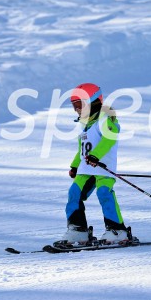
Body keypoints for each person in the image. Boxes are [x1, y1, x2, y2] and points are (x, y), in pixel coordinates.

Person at [61, 82, 128, 245]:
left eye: (80, 105)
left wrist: (96, 156)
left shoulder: (106, 119)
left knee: (104, 193)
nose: (77, 109)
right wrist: (75, 165)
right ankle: (78, 231)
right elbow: (82, 150)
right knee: (74, 193)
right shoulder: (85, 126)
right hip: (85, 170)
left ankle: (117, 230)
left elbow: (109, 139)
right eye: (74, 106)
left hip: (103, 168)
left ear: (93, 102)